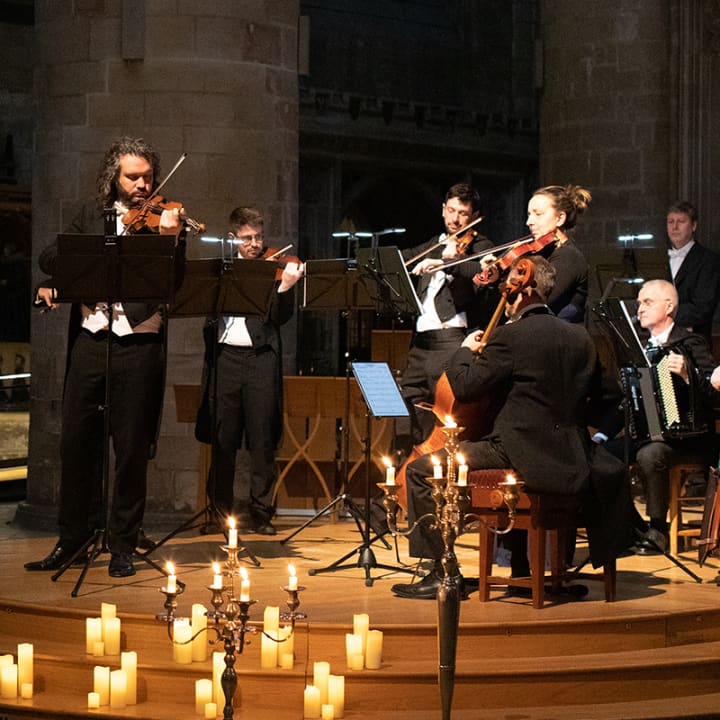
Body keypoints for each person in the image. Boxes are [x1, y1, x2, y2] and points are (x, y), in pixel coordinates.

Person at [391, 255, 604, 600]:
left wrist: (463, 351)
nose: (505, 292)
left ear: (522, 291)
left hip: (518, 454)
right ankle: (521, 568)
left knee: (418, 471)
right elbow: (602, 398)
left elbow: (465, 387)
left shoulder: (510, 336)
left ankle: (440, 572)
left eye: (509, 286)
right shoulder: (581, 338)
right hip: (572, 459)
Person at [25, 136, 186, 578]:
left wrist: (169, 240)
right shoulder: (90, 216)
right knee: (76, 444)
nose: (141, 185)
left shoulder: (165, 222)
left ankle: (123, 545)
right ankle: (73, 539)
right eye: (132, 177)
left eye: (147, 177)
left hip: (139, 343)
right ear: (113, 178)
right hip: (92, 341)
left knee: (131, 449)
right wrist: (84, 265)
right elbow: (50, 256)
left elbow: (176, 285)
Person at [194, 206, 304, 536]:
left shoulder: (274, 270)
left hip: (260, 360)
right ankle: (219, 512)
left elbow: (279, 318)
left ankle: (261, 513)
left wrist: (284, 287)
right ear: (233, 238)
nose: (255, 244)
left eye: (258, 237)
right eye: (247, 238)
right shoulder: (222, 270)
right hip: (225, 358)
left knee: (262, 440)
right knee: (222, 439)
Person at [396, 183, 495, 454]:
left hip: (451, 342)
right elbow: (402, 260)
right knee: (406, 410)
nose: (455, 219)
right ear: (442, 210)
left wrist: (454, 263)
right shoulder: (434, 244)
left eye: (463, 213)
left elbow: (485, 278)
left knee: (444, 417)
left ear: (473, 217)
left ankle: (439, 479)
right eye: (450, 210)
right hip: (421, 345)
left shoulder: (480, 245)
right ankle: (404, 475)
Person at [630, 279, 718, 554]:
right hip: (650, 435)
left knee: (650, 455)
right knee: (600, 458)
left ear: (669, 307)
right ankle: (629, 526)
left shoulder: (690, 343)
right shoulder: (640, 348)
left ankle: (658, 530)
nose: (640, 309)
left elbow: (715, 396)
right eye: (639, 303)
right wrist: (601, 433)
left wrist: (687, 374)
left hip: (689, 439)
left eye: (647, 302)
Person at [523, 184, 590, 323]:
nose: (529, 222)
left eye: (538, 214)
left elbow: (539, 300)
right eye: (529, 215)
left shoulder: (569, 256)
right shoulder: (543, 253)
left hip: (560, 339)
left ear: (559, 218)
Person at [665, 200, 720, 342]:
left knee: (671, 365)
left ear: (693, 226)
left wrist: (663, 313)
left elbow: (703, 308)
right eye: (670, 222)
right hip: (660, 341)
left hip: (692, 344)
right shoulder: (658, 259)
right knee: (652, 364)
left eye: (681, 221)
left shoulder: (708, 260)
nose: (674, 227)